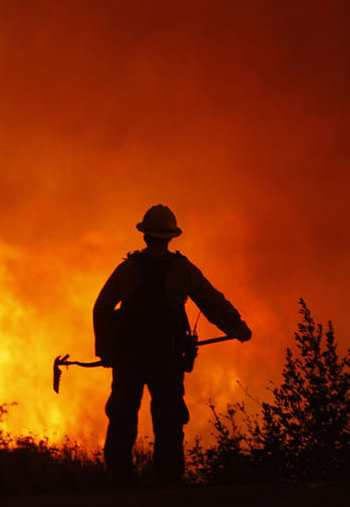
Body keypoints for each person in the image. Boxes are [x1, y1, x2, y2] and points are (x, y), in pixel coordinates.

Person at [94, 204, 251, 486]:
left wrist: (106, 349)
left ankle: (119, 482)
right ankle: (168, 484)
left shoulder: (128, 269)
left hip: (130, 358)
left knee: (122, 416)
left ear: (144, 236)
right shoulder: (183, 270)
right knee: (168, 420)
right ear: (170, 237)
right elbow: (211, 302)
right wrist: (237, 328)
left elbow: (102, 307)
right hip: (167, 359)